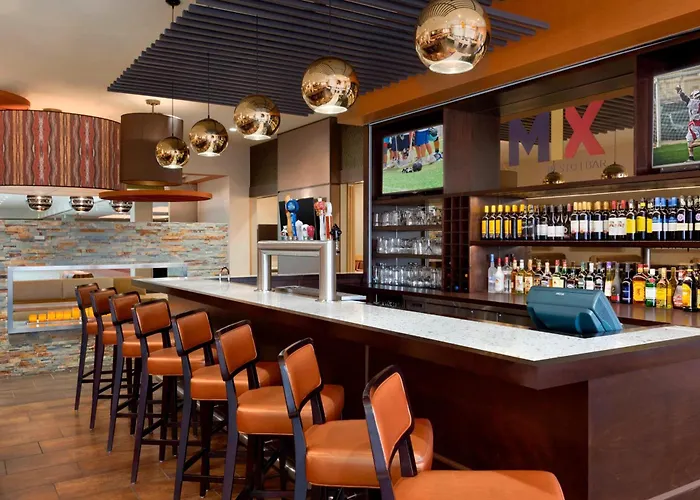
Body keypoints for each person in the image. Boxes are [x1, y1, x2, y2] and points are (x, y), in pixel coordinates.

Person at [676, 85, 700, 162]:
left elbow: (685, 98)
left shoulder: (695, 102)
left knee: (691, 144)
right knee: (689, 140)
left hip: (695, 124)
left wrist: (680, 91)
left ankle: (691, 156)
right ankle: (691, 157)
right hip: (694, 123)